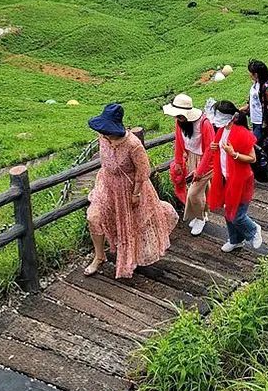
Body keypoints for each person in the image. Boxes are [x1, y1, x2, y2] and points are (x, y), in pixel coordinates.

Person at [85, 103, 178, 279]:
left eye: (106, 129)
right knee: (93, 216)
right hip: (106, 184)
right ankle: (99, 256)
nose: (103, 132)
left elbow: (143, 171)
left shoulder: (133, 145)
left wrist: (136, 194)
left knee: (132, 224)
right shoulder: (102, 137)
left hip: (129, 189)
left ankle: (131, 256)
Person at [208, 100, 263, 252]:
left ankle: (253, 230)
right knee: (228, 212)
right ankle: (235, 240)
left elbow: (252, 158)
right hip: (226, 177)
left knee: (237, 216)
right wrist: (215, 147)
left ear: (231, 117)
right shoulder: (221, 131)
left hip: (241, 179)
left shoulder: (243, 133)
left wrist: (234, 154)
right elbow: (219, 150)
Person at [163, 93, 215, 236]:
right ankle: (203, 212)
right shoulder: (181, 122)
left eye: (179, 116)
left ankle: (200, 217)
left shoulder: (204, 124)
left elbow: (210, 150)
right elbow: (179, 141)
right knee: (201, 190)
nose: (177, 119)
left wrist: (199, 170)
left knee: (193, 193)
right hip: (193, 157)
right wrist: (179, 161)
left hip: (206, 162)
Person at [241, 59, 268, 180]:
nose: (249, 75)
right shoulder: (256, 84)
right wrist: (246, 109)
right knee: (265, 147)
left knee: (255, 146)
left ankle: (260, 173)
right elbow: (255, 102)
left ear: (256, 74)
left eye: (251, 72)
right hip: (256, 121)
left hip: (263, 124)